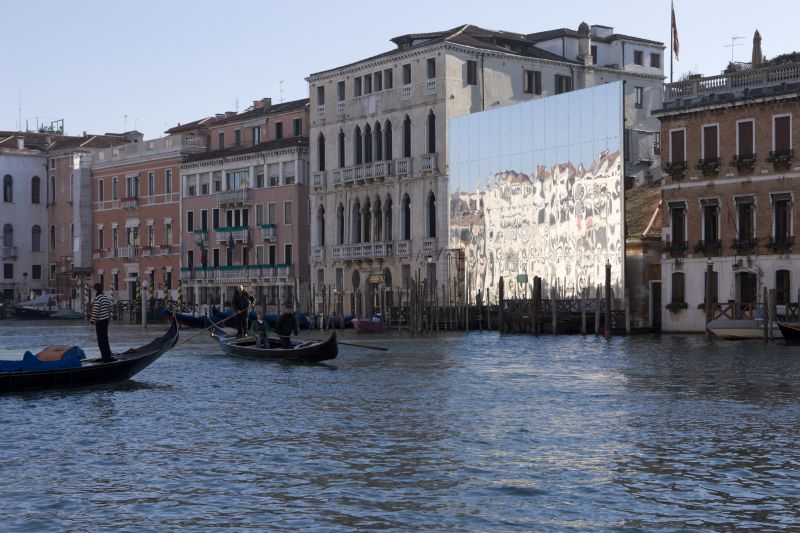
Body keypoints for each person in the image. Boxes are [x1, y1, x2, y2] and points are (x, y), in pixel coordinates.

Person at [89, 282, 115, 362]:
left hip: (100, 322)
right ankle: (108, 355)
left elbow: (95, 311)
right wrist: (109, 318)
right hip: (105, 321)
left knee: (101, 340)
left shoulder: (98, 299)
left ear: (95, 289)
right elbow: (111, 308)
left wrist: (92, 322)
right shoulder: (106, 298)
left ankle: (105, 357)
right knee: (105, 339)